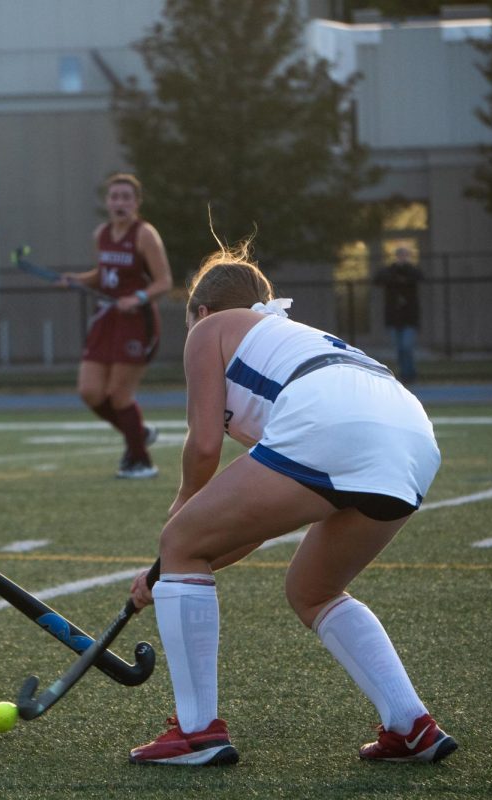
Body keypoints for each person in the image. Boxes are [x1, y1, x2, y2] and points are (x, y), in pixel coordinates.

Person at [125, 239, 457, 767]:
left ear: (203, 311)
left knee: (182, 539)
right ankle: (410, 724)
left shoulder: (210, 330)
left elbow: (204, 446)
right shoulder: (283, 343)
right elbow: (251, 523)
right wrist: (172, 568)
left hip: (332, 420)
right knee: (313, 589)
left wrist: (176, 537)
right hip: (412, 436)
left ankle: (196, 733)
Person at [60, 173, 173, 479]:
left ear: (136, 203)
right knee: (90, 392)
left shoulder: (144, 234)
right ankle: (137, 431)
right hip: (105, 318)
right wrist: (77, 279)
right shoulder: (102, 234)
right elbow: (103, 273)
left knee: (120, 395)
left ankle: (141, 461)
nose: (120, 202)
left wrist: (137, 297)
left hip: (137, 321)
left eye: (126, 197)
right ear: (108, 202)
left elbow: (164, 282)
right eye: (115, 197)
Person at [373, 246, 421, 384]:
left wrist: (405, 271)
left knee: (407, 346)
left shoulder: (412, 271)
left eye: (405, 255)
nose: (402, 258)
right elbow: (378, 279)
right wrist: (396, 272)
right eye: (400, 255)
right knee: (399, 348)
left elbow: (419, 276)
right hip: (394, 318)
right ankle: (404, 373)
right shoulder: (390, 271)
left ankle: (410, 374)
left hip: (409, 318)